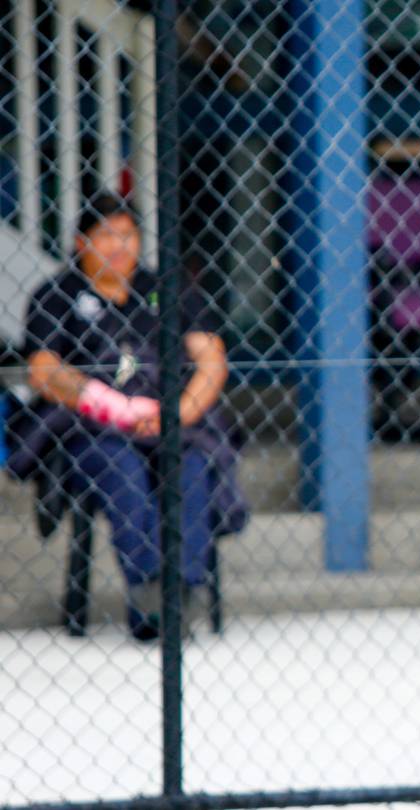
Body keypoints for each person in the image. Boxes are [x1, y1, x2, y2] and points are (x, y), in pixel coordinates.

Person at [21, 193, 231, 641]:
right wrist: (112, 407)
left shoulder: (166, 287)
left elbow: (212, 359)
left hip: (170, 424)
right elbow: (44, 371)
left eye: (127, 235)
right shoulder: (57, 295)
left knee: (191, 468)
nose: (118, 246)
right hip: (90, 429)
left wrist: (178, 413)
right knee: (121, 467)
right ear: (82, 243)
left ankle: (185, 591)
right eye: (106, 236)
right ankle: (151, 593)